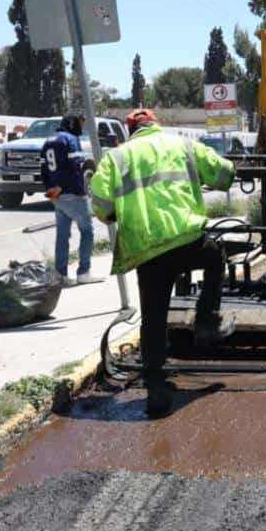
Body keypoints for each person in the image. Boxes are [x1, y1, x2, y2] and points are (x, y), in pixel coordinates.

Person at [89, 108, 237, 413]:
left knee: (153, 317)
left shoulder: (116, 158)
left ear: (131, 131)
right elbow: (223, 174)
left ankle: (156, 387)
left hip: (147, 251)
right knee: (214, 257)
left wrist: (115, 213)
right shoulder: (181, 144)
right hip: (187, 240)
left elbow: (101, 206)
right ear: (157, 125)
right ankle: (207, 320)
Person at [41, 114, 103, 286]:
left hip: (57, 196)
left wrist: (51, 190)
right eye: (80, 123)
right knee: (87, 231)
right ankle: (84, 272)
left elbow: (43, 169)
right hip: (74, 193)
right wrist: (66, 187)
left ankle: (61, 275)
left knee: (62, 235)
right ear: (71, 123)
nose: (81, 128)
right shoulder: (71, 139)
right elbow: (76, 167)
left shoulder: (48, 141)